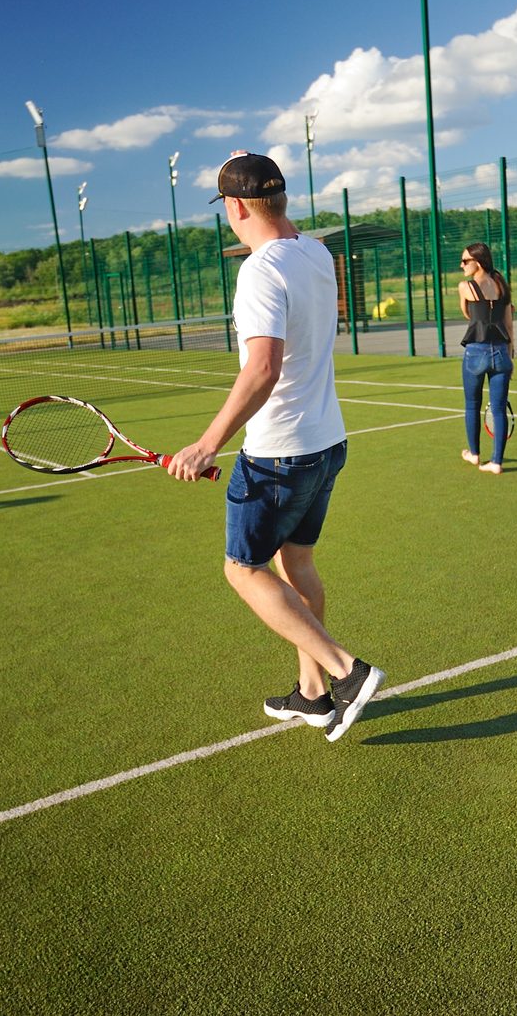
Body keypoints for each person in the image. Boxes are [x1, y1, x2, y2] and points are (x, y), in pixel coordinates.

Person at [167, 153, 384, 742]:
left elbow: (262, 368)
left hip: (279, 452)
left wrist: (208, 443)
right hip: (326, 442)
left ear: (234, 207)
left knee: (243, 569)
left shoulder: (260, 271)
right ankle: (312, 694)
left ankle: (344, 671)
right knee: (299, 563)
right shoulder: (317, 253)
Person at [457, 242, 514, 473]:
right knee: (498, 409)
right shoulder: (502, 284)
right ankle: (496, 462)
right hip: (501, 352)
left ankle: (474, 454)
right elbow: (509, 324)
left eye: (465, 261)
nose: (461, 265)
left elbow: (467, 314)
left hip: (476, 352)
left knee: (472, 405)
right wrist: (511, 356)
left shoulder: (465, 287)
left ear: (477, 262)